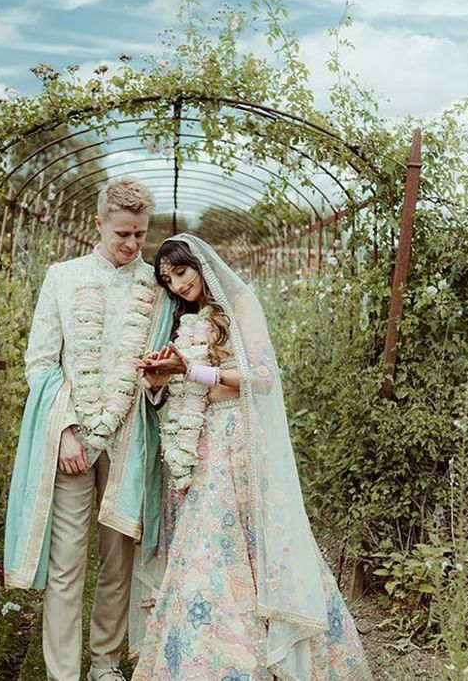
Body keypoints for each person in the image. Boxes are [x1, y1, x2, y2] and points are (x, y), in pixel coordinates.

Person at [130, 234, 372, 680]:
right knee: (205, 547)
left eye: (181, 273)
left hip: (239, 438)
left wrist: (191, 369)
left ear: (200, 264)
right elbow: (183, 389)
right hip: (200, 442)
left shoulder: (242, 304)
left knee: (255, 540)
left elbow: (262, 378)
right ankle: (211, 657)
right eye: (168, 281)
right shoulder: (188, 320)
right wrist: (159, 380)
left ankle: (276, 647)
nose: (178, 286)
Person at [3, 178, 173, 681]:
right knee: (67, 562)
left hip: (129, 443)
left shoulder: (157, 288)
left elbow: (162, 371)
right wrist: (68, 432)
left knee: (118, 562)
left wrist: (158, 383)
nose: (131, 244)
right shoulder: (62, 277)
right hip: (72, 441)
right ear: (98, 224)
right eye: (122, 232)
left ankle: (105, 664)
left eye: (140, 234)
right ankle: (62, 674)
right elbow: (39, 362)